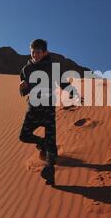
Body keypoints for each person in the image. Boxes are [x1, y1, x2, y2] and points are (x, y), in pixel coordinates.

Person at [19, 39, 78, 186]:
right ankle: (42, 143)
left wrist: (73, 93)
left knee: (51, 142)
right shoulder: (26, 69)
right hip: (33, 108)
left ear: (45, 52)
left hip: (48, 108)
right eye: (33, 52)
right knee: (24, 136)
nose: (35, 55)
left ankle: (49, 171)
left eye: (38, 52)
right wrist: (22, 88)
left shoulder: (52, 67)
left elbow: (63, 82)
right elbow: (24, 90)